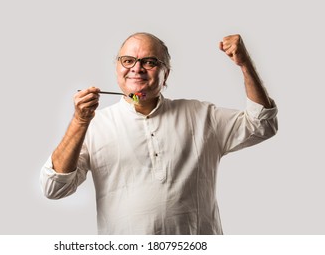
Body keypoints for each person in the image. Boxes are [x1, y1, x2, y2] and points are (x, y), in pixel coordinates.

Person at [40, 32, 278, 234]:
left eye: (150, 62)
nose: (137, 68)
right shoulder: (94, 125)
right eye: (128, 61)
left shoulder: (202, 115)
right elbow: (54, 188)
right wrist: (80, 121)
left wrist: (244, 63)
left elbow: (262, 124)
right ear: (117, 68)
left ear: (166, 74)